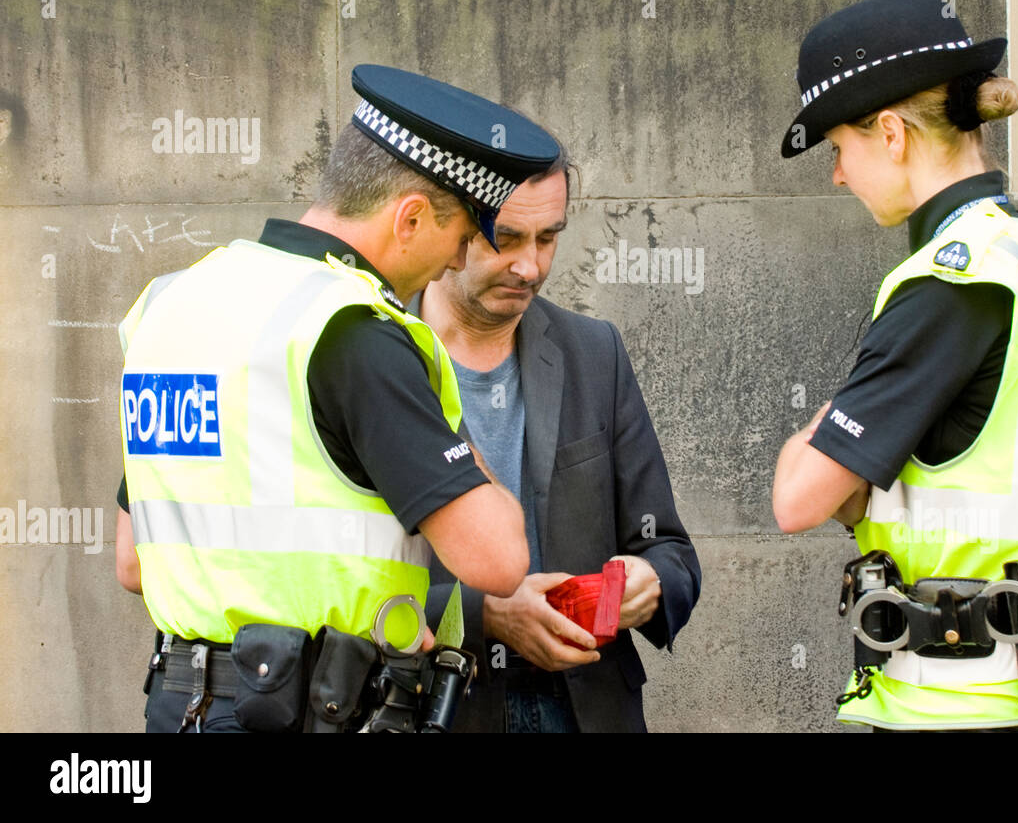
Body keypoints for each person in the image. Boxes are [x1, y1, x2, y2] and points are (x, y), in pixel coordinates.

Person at [114, 64, 561, 732]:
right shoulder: (354, 331)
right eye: (464, 236)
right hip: (320, 709)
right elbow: (497, 559)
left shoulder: (174, 304)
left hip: (185, 707)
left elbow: (133, 558)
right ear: (409, 218)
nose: (459, 260)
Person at [770, 0, 1018, 733]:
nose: (839, 176)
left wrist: (805, 442)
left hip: (958, 705)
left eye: (841, 149)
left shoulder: (953, 281)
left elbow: (799, 498)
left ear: (893, 133)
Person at [410, 151, 702, 733]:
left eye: (549, 238)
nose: (531, 266)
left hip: (587, 709)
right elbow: (338, 582)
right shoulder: (377, 357)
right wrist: (485, 615)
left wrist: (651, 583)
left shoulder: (595, 352)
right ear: (454, 229)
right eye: (508, 238)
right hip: (439, 707)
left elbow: (668, 549)